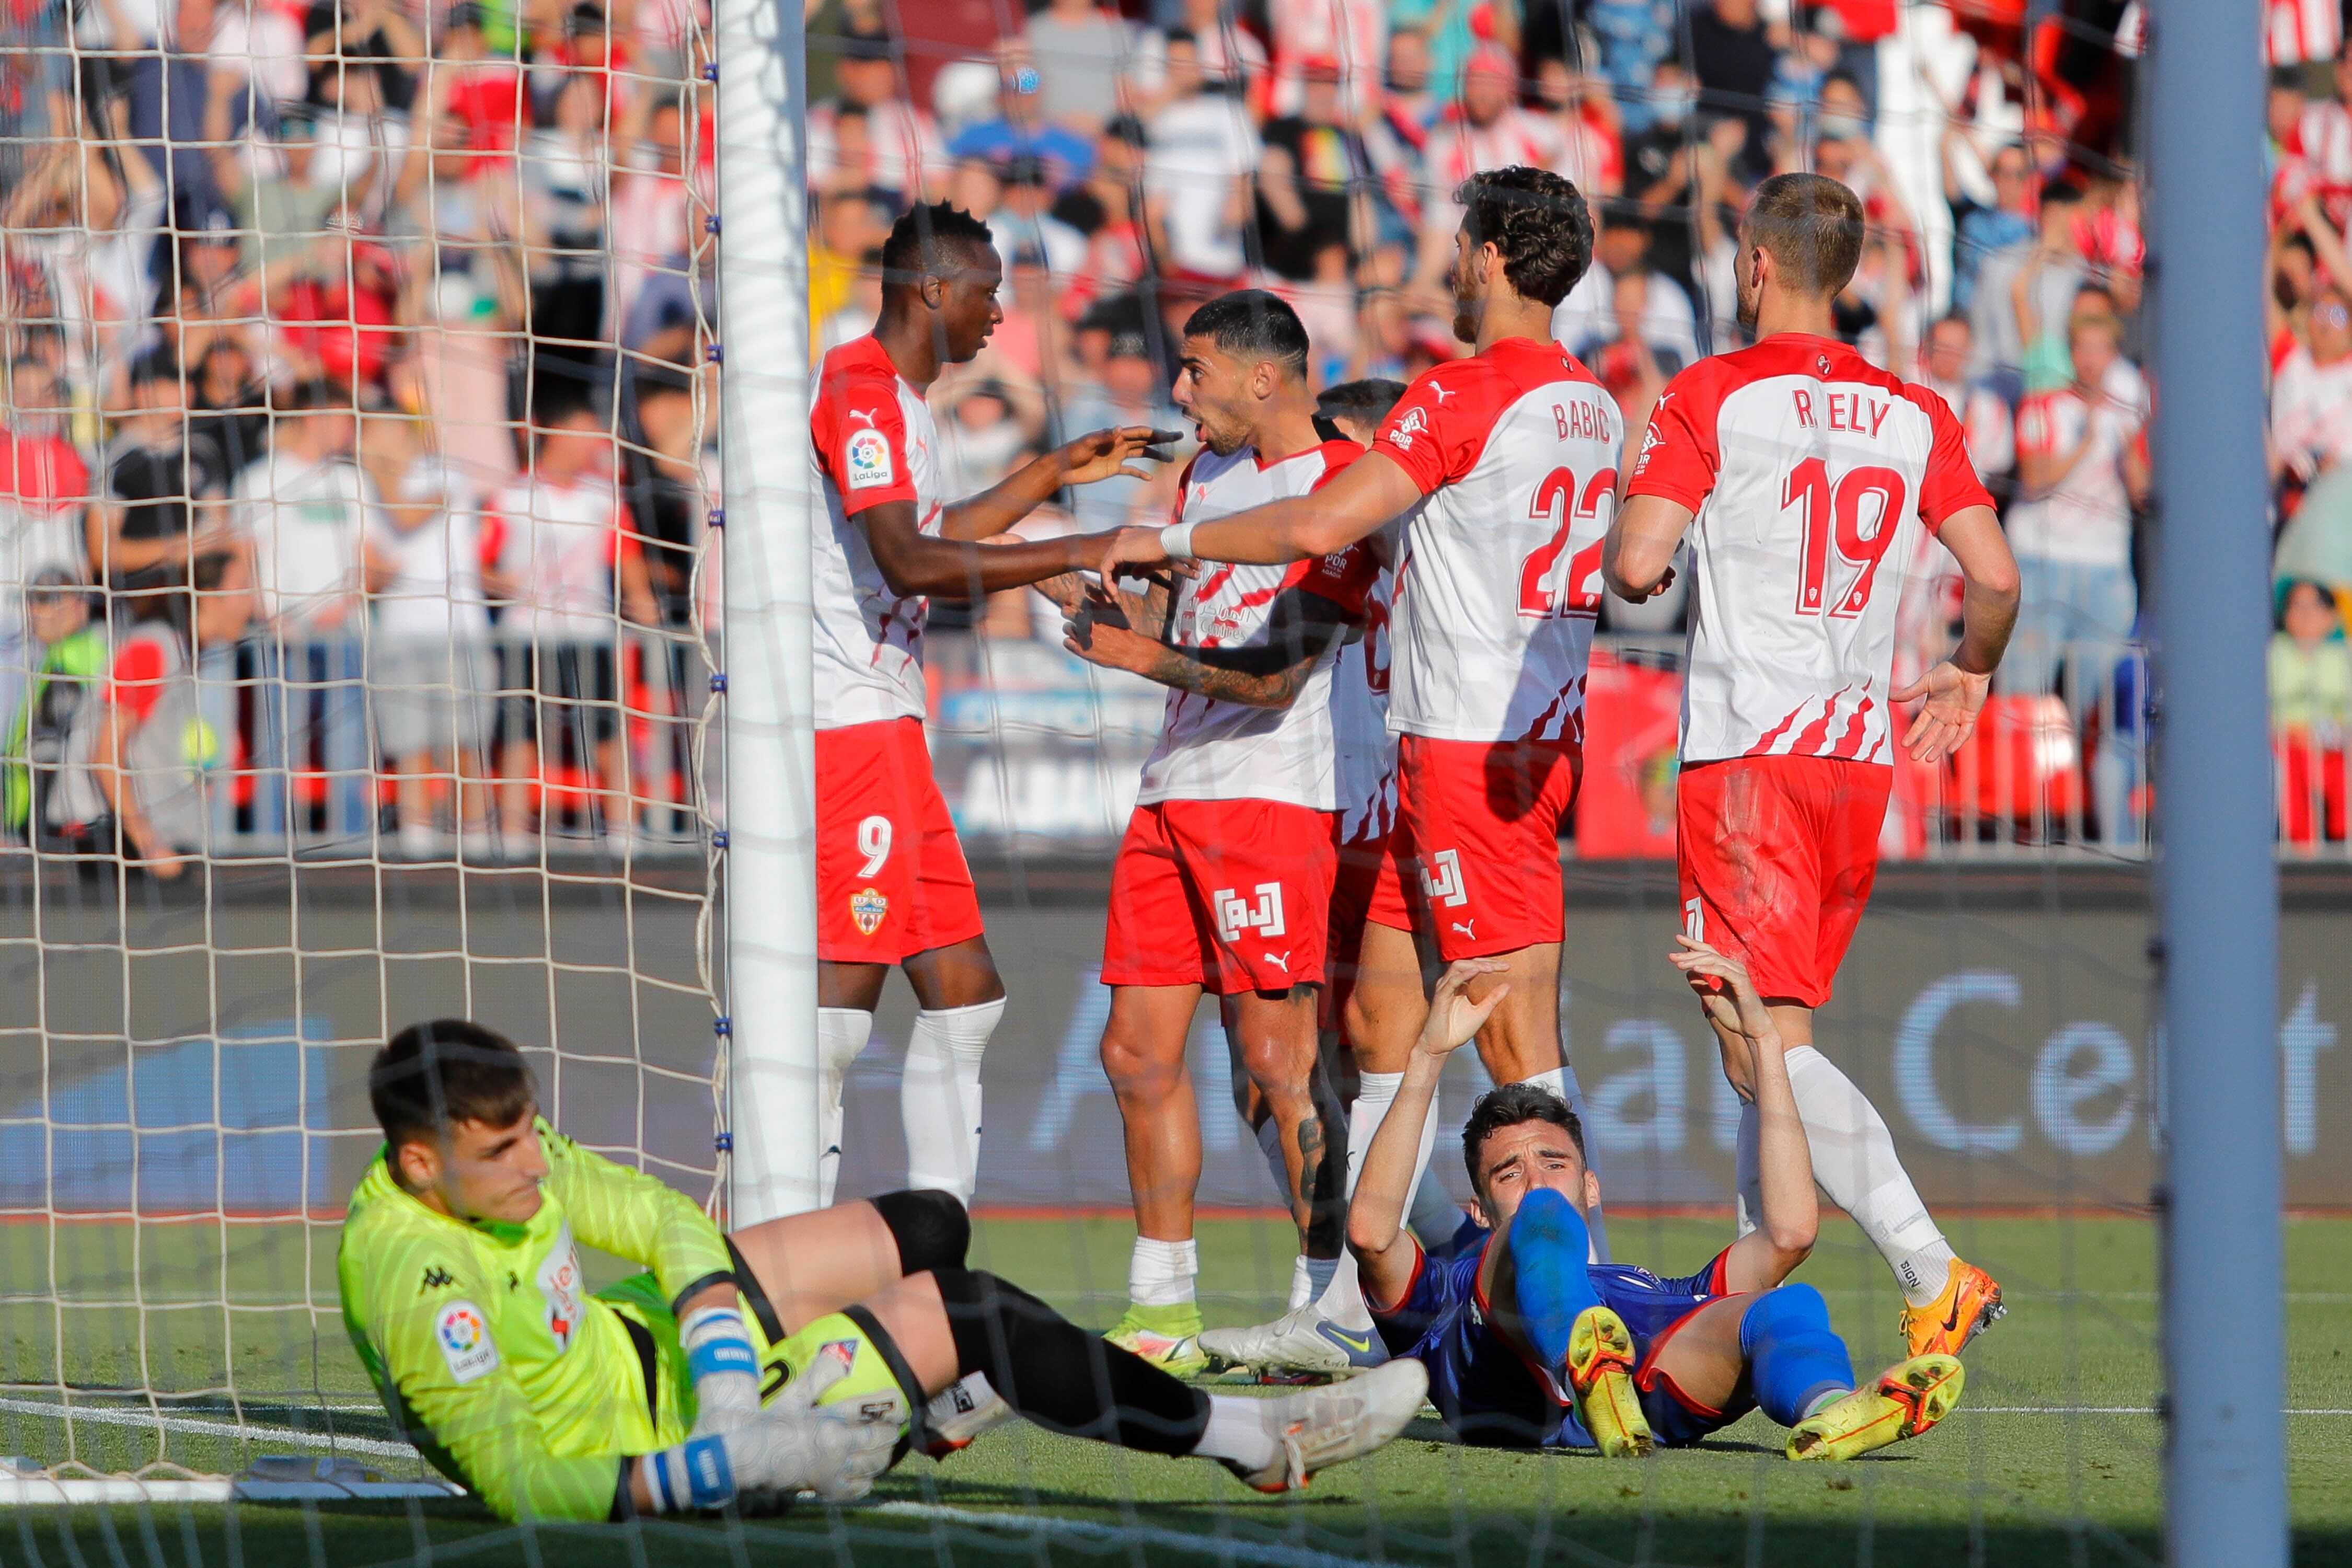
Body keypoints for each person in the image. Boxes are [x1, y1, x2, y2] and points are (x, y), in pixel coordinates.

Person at [1101, 165, 1629, 1282]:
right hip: (1517, 735)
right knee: (1387, 1026)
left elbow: (1323, 514)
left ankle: (1588, 1295)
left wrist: (1170, 543)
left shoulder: (1461, 390)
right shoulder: (1594, 400)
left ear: (1489, 258)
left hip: (1468, 741)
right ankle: (1365, 1296)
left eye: (1458, 242)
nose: (1448, 263)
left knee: (1511, 1037)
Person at [338, 1019, 1429, 1524]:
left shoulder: (499, 1149)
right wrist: (713, 1457)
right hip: (644, 1438)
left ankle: (932, 1415)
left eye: (535, 1138)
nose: (536, 1164)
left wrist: (720, 1362)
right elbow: (522, 1487)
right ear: (421, 1161)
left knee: (927, 1224)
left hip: (650, 1351)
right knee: (977, 1310)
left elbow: (667, 1222)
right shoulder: (416, 1282)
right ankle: (1259, 1445)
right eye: (504, 1155)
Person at [1602, 172, 2022, 1361]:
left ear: (1751, 265)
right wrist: (1970, 667)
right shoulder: (1912, 408)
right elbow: (1990, 579)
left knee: (1760, 1044)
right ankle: (1736, 1312)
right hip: (1852, 758)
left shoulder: (1711, 390)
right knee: (1769, 1035)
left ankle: (1928, 1266)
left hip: (1746, 753)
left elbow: (1637, 564)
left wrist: (1633, 537)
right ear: (1844, 278)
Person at [810, 201, 1176, 1209]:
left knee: (966, 1003)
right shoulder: (856, 387)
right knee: (833, 1024)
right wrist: (1072, 547)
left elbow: (939, 532)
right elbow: (913, 560)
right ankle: (785, 1263)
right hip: (840, 723)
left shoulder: (904, 406)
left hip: (887, 724)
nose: (999, 314)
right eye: (987, 291)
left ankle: (939, 1278)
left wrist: (1053, 477)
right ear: (931, 288)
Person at [1047, 291, 1367, 1371]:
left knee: (1283, 1061)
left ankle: (1331, 1305)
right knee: (1134, 1052)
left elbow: (1277, 678)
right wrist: (1086, 594)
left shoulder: (1337, 489)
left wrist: (1140, 659)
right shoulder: (1200, 479)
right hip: (1172, 785)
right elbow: (1177, 629)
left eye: (1196, 372)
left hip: (1273, 795)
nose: (1181, 393)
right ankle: (1162, 1310)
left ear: (1262, 377)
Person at [1348, 946, 1967, 1459]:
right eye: (1509, 1172)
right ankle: (1588, 1368)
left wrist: (1764, 1042)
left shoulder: (1641, 1285)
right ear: (1480, 1212)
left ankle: (1834, 1415)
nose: (1535, 1178)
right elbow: (1373, 1233)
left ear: (1593, 1189)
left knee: (1786, 1307)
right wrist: (1428, 1057)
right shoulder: (1445, 1293)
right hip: (1509, 1396)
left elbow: (1790, 1235)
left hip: (1646, 1380)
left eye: (1555, 1163)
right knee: (1543, 1221)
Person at [482, 398, 660, 852]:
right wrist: (503, 582)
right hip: (528, 633)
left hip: (590, 633)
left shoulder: (602, 498)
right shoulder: (511, 495)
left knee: (607, 732)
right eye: (585, 433)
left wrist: (640, 598)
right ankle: (513, 834)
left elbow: (625, 554)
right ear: (556, 434)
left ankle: (625, 833)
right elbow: (479, 563)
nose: (593, 446)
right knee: (520, 735)